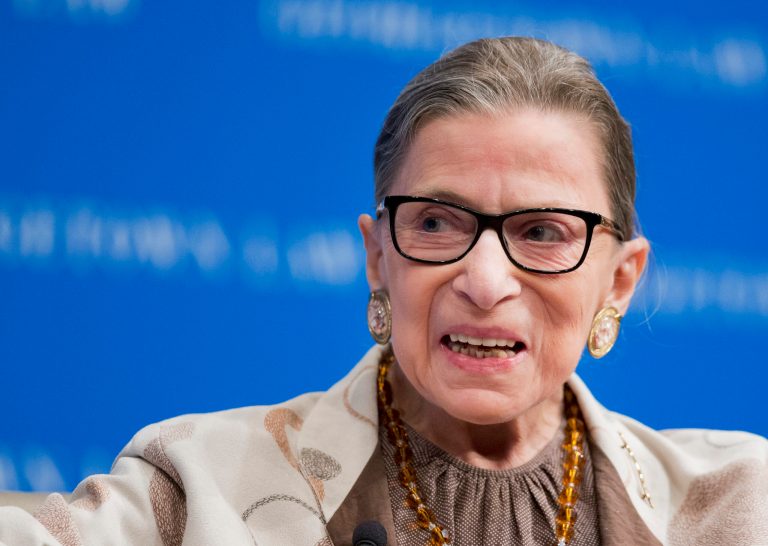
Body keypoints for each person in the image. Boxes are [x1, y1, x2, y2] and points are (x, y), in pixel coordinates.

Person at [1, 36, 766, 546]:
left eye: (542, 233)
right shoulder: (201, 489)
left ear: (620, 279)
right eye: (436, 222)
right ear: (377, 259)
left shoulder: (738, 506)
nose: (486, 280)